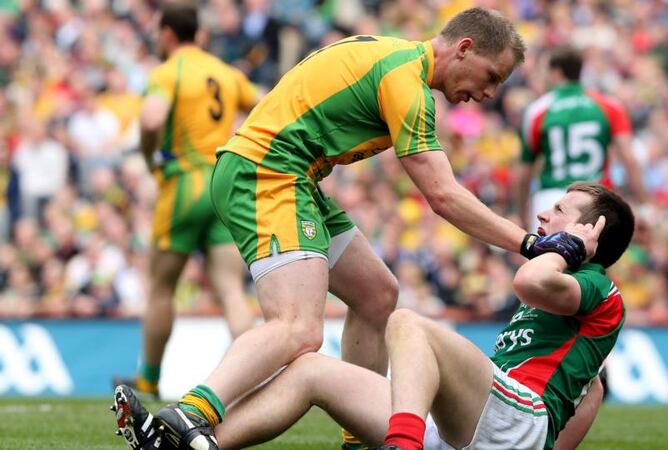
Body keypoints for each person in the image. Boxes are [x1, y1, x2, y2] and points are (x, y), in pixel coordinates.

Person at [113, 7, 549, 450]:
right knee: (298, 327)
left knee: (377, 294)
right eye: (492, 76)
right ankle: (187, 415)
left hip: (286, 173)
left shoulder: (396, 57)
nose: (491, 93)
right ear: (464, 48)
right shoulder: (407, 82)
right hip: (269, 172)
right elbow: (443, 195)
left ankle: (358, 439)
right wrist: (528, 242)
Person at [112, 181, 634, 450]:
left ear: (592, 234)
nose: (545, 215)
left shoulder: (596, 284)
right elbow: (588, 395)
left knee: (405, 322)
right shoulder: (575, 301)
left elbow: (528, 278)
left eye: (562, 213)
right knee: (310, 369)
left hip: (509, 423)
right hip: (475, 428)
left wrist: (565, 248)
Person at [113, 4, 259, 399]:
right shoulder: (225, 72)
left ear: (166, 34)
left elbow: (150, 119)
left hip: (184, 185)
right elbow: (263, 106)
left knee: (161, 287)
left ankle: (148, 380)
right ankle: (253, 376)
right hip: (223, 184)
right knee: (230, 286)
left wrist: (149, 157)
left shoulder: (168, 72)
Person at [516, 45, 645, 231]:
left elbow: (523, 172)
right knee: (599, 259)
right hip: (598, 200)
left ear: (556, 73)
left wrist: (522, 214)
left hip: (552, 199)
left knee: (547, 259)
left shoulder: (537, 111)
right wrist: (644, 204)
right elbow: (630, 159)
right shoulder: (608, 105)